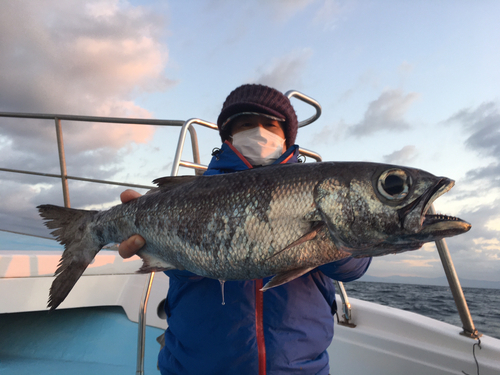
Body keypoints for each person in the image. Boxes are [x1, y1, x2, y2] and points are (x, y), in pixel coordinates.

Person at [119, 84, 371, 375]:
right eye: (247, 124)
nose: (259, 132)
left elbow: (352, 270)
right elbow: (181, 273)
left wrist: (332, 232)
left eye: (270, 125)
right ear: (228, 136)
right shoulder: (195, 191)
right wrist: (152, 238)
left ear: (286, 136)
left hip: (300, 368)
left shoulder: (316, 188)